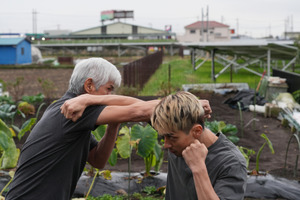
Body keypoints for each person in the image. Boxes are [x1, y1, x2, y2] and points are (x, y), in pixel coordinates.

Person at [5, 58, 159, 200]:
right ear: (89, 85)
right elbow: (145, 110)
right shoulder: (75, 111)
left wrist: (114, 123)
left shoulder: (60, 108)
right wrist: (90, 99)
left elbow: (97, 160)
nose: (110, 96)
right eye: (109, 89)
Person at [151, 91, 247, 200]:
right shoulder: (175, 129)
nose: (166, 145)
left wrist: (198, 167)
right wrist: (189, 105)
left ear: (197, 131)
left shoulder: (231, 163)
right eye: (164, 137)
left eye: (172, 137)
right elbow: (136, 109)